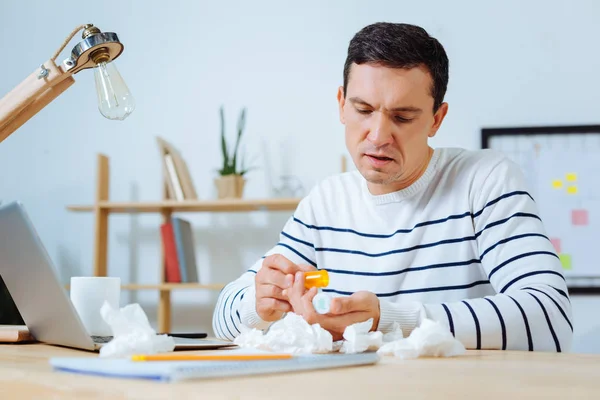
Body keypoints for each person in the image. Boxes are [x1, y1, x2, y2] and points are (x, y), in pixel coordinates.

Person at [212, 22, 573, 351]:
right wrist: (260, 306)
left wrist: (388, 320)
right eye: (363, 110)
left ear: (436, 118)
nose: (379, 135)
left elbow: (551, 317)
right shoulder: (326, 202)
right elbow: (222, 316)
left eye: (402, 117)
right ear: (341, 105)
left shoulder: (483, 180)